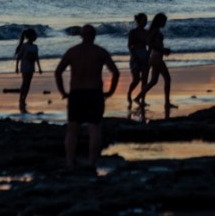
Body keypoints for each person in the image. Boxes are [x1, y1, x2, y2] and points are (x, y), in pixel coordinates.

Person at [54, 24, 120, 169]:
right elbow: (115, 72)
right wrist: (110, 92)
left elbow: (58, 72)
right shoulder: (100, 52)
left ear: (81, 35)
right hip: (94, 92)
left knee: (72, 129)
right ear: (94, 36)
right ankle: (92, 162)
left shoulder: (73, 51)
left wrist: (63, 92)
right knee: (94, 128)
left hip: (76, 93)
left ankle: (70, 162)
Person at [138, 13, 175, 109]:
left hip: (156, 57)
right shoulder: (155, 30)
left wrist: (163, 49)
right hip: (156, 57)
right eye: (164, 21)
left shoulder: (156, 30)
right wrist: (162, 50)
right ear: (160, 21)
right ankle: (167, 103)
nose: (165, 23)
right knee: (167, 79)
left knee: (153, 81)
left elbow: (154, 43)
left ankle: (138, 97)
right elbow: (148, 42)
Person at [14, 29, 42, 114]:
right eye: (34, 35)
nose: (36, 37)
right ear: (30, 37)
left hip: (31, 67)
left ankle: (24, 99)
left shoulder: (35, 47)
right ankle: (21, 99)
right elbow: (19, 57)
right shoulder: (24, 46)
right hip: (25, 66)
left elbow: (37, 58)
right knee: (25, 82)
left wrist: (40, 68)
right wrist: (16, 68)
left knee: (28, 83)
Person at [126, 13, 150, 109]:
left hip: (145, 55)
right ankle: (129, 93)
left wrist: (148, 54)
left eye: (146, 20)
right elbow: (129, 45)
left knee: (144, 80)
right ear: (139, 21)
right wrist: (135, 56)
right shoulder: (133, 32)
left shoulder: (147, 32)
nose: (145, 22)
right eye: (144, 20)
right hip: (135, 56)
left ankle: (142, 100)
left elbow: (150, 46)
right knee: (136, 79)